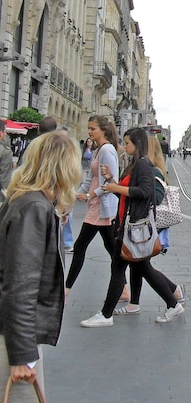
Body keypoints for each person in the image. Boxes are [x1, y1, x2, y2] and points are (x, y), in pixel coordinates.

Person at [0, 132, 80, 399]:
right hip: (15, 339)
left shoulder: (29, 200)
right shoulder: (34, 207)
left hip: (16, 333)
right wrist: (22, 354)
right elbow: (21, 284)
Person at [80, 128, 184, 327]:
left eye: (127, 143)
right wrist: (111, 180)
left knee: (120, 268)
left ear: (137, 144)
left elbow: (145, 192)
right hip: (125, 224)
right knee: (134, 268)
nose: (124, 146)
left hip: (133, 226)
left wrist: (115, 187)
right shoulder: (134, 165)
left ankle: (106, 314)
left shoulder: (144, 165)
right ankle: (172, 303)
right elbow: (125, 194)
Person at [114, 136, 186, 316]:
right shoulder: (142, 169)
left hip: (144, 225)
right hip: (137, 225)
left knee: (140, 264)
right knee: (138, 263)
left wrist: (130, 193)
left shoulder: (153, 171)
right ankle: (137, 303)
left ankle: (172, 298)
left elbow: (155, 198)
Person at [65, 116, 123, 299]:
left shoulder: (107, 150)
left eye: (93, 129)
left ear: (103, 130)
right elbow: (90, 179)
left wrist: (90, 195)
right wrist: (74, 195)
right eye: (89, 128)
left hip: (102, 206)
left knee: (80, 245)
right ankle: (125, 287)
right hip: (96, 205)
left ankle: (66, 289)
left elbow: (111, 181)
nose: (89, 132)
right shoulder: (98, 150)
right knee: (111, 247)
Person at [0, 121, 13, 201]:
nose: (5, 134)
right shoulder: (5, 152)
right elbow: (5, 179)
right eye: (5, 132)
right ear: (1, 133)